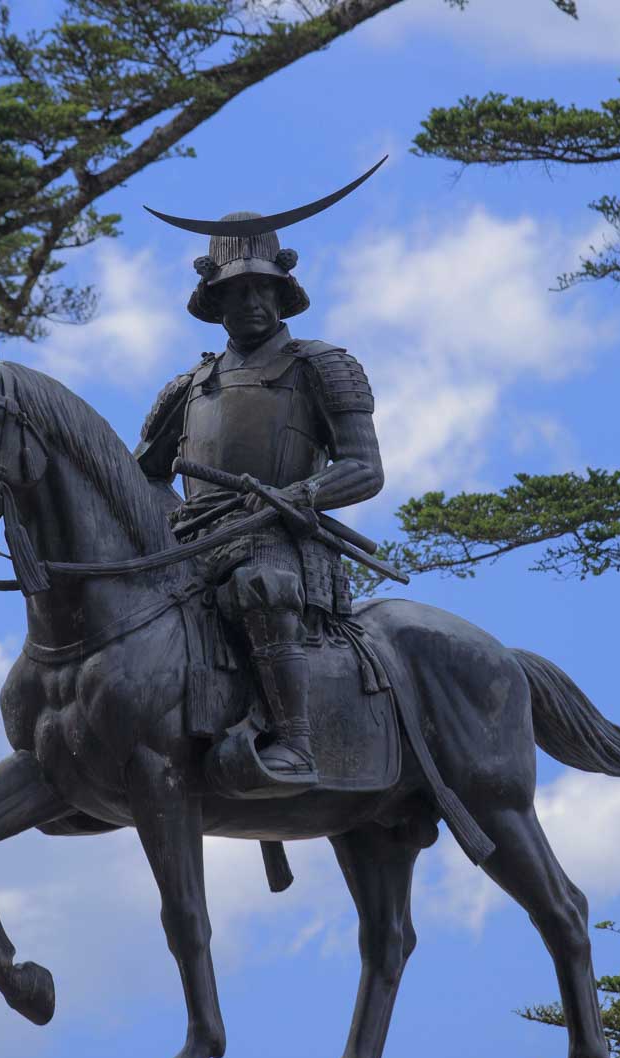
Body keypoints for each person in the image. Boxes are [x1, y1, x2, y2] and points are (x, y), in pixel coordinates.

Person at [135, 213, 384, 794]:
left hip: (278, 537)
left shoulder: (322, 366)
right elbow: (141, 475)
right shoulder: (188, 386)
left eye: (261, 289)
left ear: (281, 293)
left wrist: (300, 494)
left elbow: (365, 468)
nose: (250, 302)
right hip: (192, 542)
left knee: (262, 588)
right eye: (235, 291)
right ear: (214, 301)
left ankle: (294, 742)